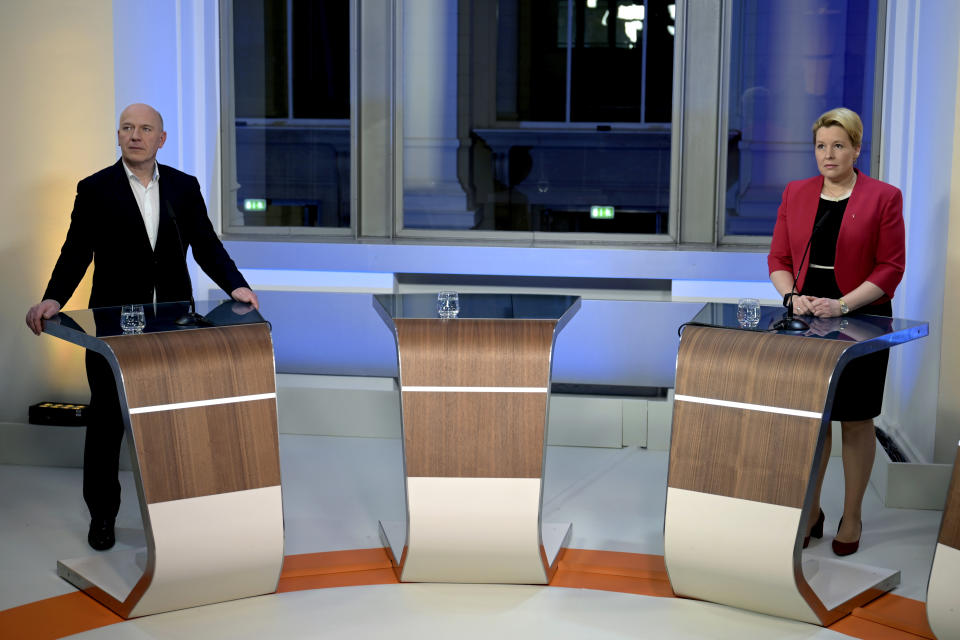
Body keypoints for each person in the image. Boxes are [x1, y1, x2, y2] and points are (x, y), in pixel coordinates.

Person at [25, 103, 259, 551]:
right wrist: (54, 296)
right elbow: (77, 250)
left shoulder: (184, 187)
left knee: (175, 421)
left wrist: (236, 286)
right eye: (127, 128)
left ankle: (180, 513)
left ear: (161, 139)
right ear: (118, 136)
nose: (135, 135)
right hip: (112, 328)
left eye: (145, 129)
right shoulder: (94, 189)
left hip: (173, 326)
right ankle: (103, 518)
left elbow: (207, 246)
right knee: (107, 422)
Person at [767, 107, 905, 556]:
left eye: (838, 145)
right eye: (821, 146)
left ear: (856, 148)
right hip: (808, 317)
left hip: (861, 314)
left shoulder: (883, 197)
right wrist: (792, 298)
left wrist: (843, 304)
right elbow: (779, 260)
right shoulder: (796, 192)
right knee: (815, 421)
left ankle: (852, 515)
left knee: (856, 419)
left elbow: (890, 268)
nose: (828, 154)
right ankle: (811, 511)